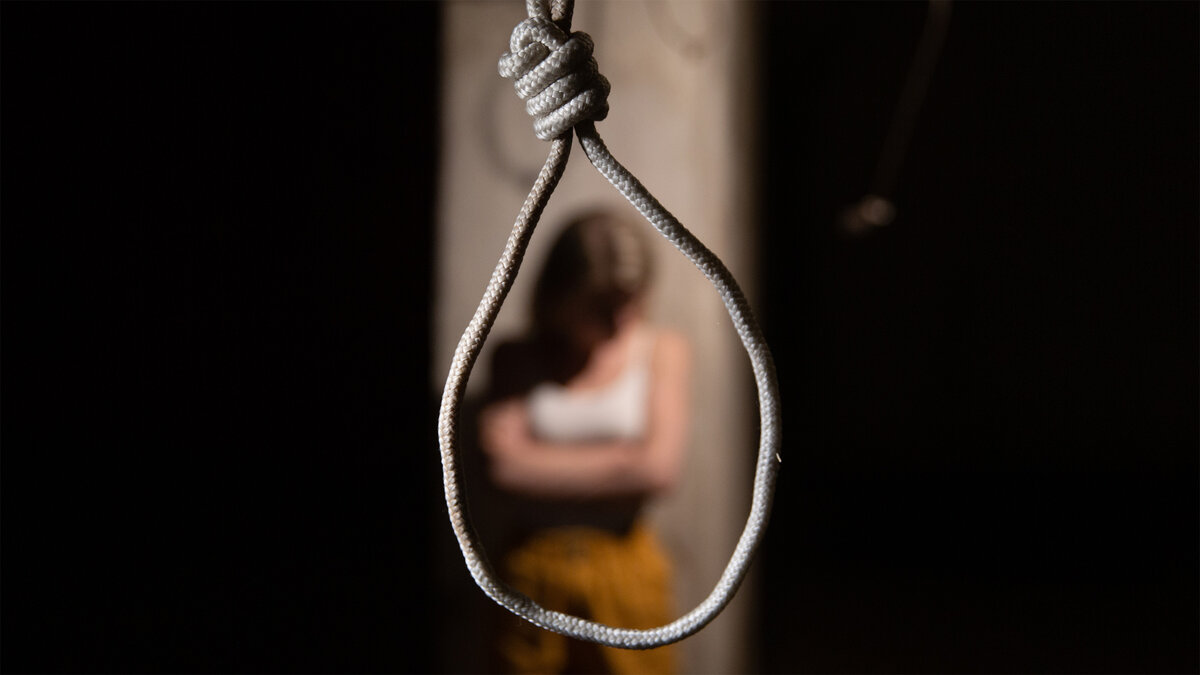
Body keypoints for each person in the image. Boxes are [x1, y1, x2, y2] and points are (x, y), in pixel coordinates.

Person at [479, 210, 691, 675]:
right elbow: (503, 469)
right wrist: (623, 461)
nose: (617, 323)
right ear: (559, 296)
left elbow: (658, 470)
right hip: (533, 570)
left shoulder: (660, 351)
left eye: (629, 303)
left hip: (627, 562)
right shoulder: (515, 357)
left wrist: (538, 461)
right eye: (600, 306)